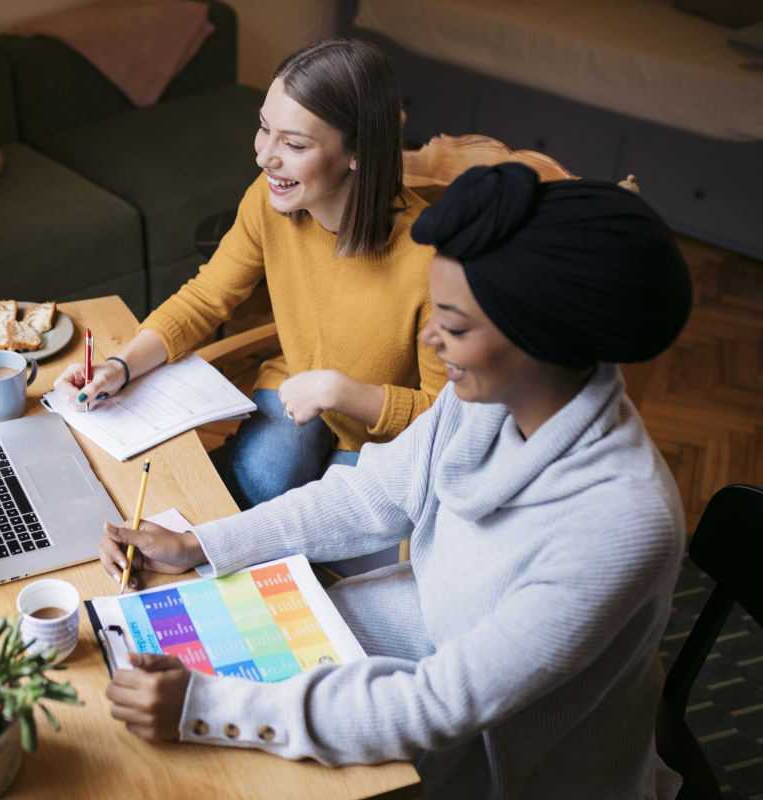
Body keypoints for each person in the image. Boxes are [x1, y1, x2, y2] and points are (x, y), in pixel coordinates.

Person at [95, 163, 693, 799]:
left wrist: (207, 707)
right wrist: (202, 544)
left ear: (540, 338)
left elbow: (440, 703)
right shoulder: (492, 395)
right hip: (409, 656)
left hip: (509, 767)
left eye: (455, 327)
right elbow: (373, 493)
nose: (433, 340)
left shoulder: (621, 523)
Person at [53, 39, 447, 523]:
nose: (265, 157)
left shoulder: (433, 260)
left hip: (384, 432)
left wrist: (340, 391)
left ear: (358, 152)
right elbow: (204, 298)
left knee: (323, 521)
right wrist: (119, 366)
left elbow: (446, 416)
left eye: (295, 144)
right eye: (264, 129)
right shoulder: (270, 200)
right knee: (266, 477)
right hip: (296, 387)